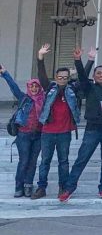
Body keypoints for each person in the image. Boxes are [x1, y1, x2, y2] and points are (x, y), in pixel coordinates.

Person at [59, 48, 102, 202]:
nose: (101, 75)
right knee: (82, 159)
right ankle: (69, 188)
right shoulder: (89, 87)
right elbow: (81, 75)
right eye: (98, 73)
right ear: (94, 76)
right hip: (92, 130)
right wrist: (81, 60)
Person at [32, 44, 80, 200]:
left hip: (64, 133)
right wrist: (40, 57)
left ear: (68, 78)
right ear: (56, 77)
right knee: (45, 161)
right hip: (48, 132)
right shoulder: (50, 88)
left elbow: (84, 78)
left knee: (63, 162)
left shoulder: (72, 90)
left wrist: (87, 61)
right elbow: (42, 76)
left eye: (65, 78)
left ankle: (63, 187)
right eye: (60, 77)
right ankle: (41, 187)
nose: (62, 80)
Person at [1, 65, 43, 198]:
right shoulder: (23, 98)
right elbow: (13, 87)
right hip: (23, 135)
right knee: (24, 161)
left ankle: (28, 186)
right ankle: (19, 187)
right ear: (28, 87)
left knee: (33, 162)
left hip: (39, 135)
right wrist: (5, 73)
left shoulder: (44, 99)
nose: (34, 89)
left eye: (36, 86)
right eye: (32, 86)